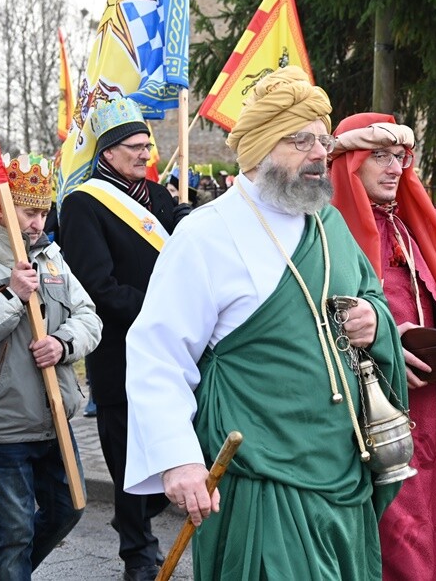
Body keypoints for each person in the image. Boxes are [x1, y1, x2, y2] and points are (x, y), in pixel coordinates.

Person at [123, 66, 407, 579]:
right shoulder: (206, 234)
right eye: (301, 140)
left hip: (343, 468)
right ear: (258, 149)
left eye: (323, 139)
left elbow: (370, 297)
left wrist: (372, 320)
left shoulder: (330, 224)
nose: (320, 152)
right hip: (259, 473)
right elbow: (158, 353)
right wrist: (178, 459)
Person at [0, 153, 102, 580]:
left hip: (54, 418)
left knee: (69, 509)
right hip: (1, 426)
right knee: (13, 536)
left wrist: (63, 345)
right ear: (0, 205)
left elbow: (88, 316)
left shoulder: (49, 255)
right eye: (30, 212)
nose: (38, 223)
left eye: (44, 212)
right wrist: (11, 297)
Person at [328, 113, 436, 580]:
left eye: (400, 156)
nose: (395, 168)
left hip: (427, 401)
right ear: (351, 163)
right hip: (368, 409)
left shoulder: (406, 227)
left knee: (433, 517)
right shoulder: (329, 234)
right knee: (395, 528)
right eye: (380, 156)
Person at [59, 97, 190, 581]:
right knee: (127, 453)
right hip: (121, 351)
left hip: (175, 346)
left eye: (147, 144)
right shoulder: (82, 204)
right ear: (108, 152)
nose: (144, 152)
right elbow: (98, 285)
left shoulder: (160, 197)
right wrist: (162, 312)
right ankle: (137, 549)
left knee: (173, 441)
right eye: (134, 146)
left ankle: (135, 515)